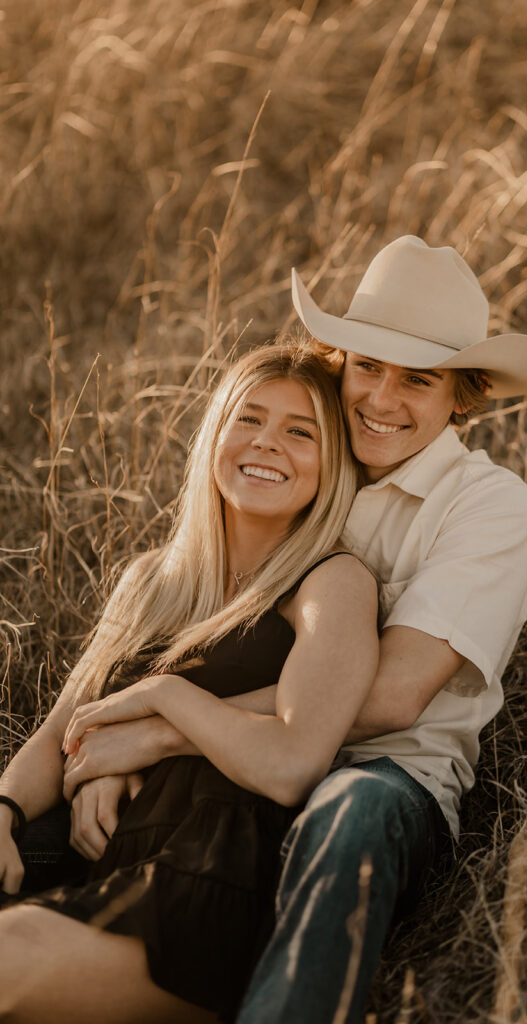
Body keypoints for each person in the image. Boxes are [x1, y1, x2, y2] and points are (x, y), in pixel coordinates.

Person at [22, 236, 527, 1023]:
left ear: (463, 395)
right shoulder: (306, 472)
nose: (381, 398)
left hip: (380, 771)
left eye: (418, 379)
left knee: (349, 811)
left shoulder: (486, 503)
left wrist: (160, 725)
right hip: (226, 780)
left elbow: (399, 691)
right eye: (367, 367)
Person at [0, 343, 381, 1022]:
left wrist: (161, 697)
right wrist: (2, 813)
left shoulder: (330, 583)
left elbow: (293, 763)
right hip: (92, 865)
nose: (267, 443)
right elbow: (61, 732)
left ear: (332, 466)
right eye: (249, 419)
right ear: (215, 435)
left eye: (300, 432)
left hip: (202, 888)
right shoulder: (150, 579)